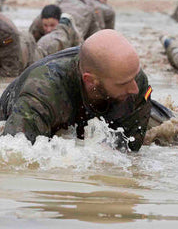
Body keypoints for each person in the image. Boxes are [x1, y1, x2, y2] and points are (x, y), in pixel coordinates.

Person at [0, 30, 154, 152]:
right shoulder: (44, 91)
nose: (134, 89)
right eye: (124, 83)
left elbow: (130, 150)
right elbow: (15, 154)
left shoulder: (137, 82)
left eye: (134, 76)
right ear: (90, 80)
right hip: (30, 106)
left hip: (107, 100)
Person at [0, 13, 79, 77]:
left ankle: (63, 25)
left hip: (30, 53)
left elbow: (10, 73)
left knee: (47, 51)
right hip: (20, 41)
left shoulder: (5, 33)